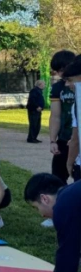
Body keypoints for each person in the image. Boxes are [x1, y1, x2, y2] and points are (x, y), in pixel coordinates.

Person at [23, 173, 81, 272]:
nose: (41, 214)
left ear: (45, 199)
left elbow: (68, 257)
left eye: (37, 207)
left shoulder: (64, 205)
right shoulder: (73, 195)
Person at [45, 50, 76, 228]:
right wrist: (53, 140)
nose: (59, 74)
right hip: (64, 138)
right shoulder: (58, 88)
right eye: (56, 71)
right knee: (58, 177)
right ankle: (55, 213)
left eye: (60, 70)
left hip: (77, 139)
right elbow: (55, 116)